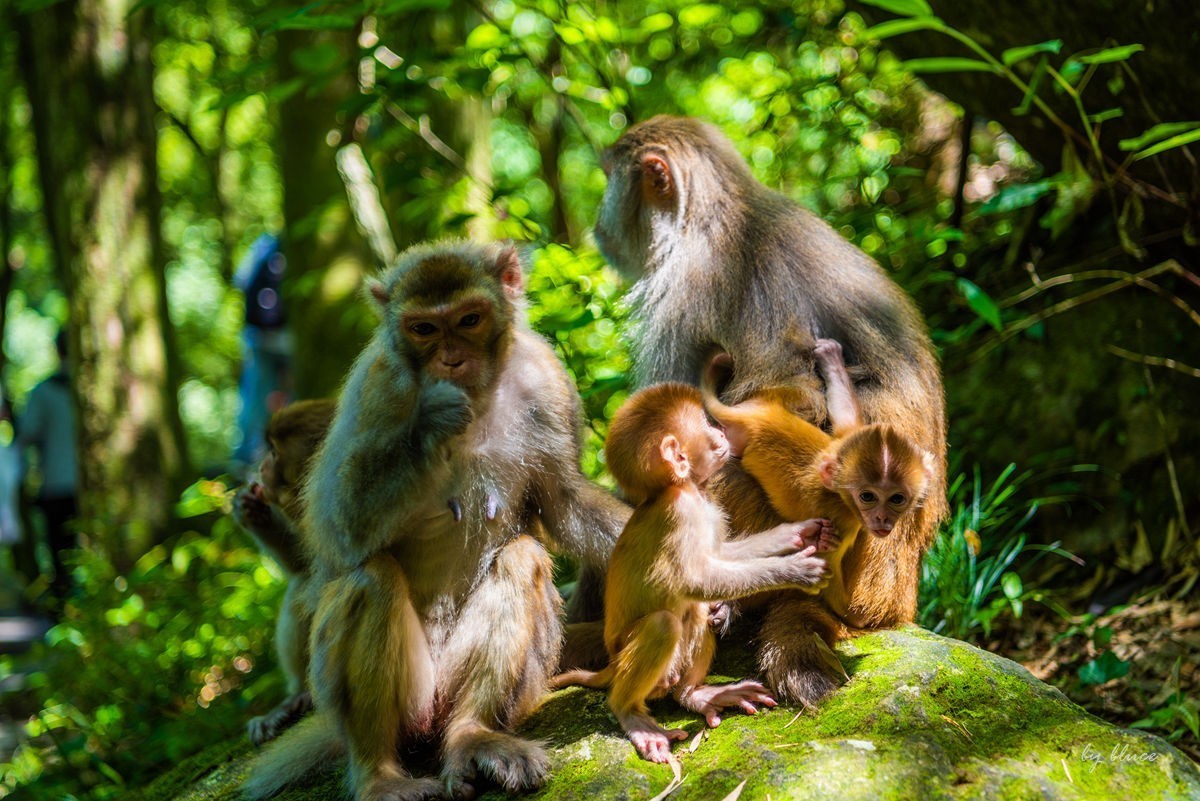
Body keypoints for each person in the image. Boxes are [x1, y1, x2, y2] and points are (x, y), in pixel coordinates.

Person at [16, 330, 79, 603]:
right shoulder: (93, 387)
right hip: (83, 487)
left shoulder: (44, 392)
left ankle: (65, 607)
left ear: (57, 351)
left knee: (60, 553)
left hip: (56, 485)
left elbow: (26, 433)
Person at [231, 233, 293, 471]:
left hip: (257, 334)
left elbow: (240, 280)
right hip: (283, 336)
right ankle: (280, 450)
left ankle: (249, 455)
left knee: (256, 395)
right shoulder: (284, 248)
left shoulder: (261, 247)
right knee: (287, 393)